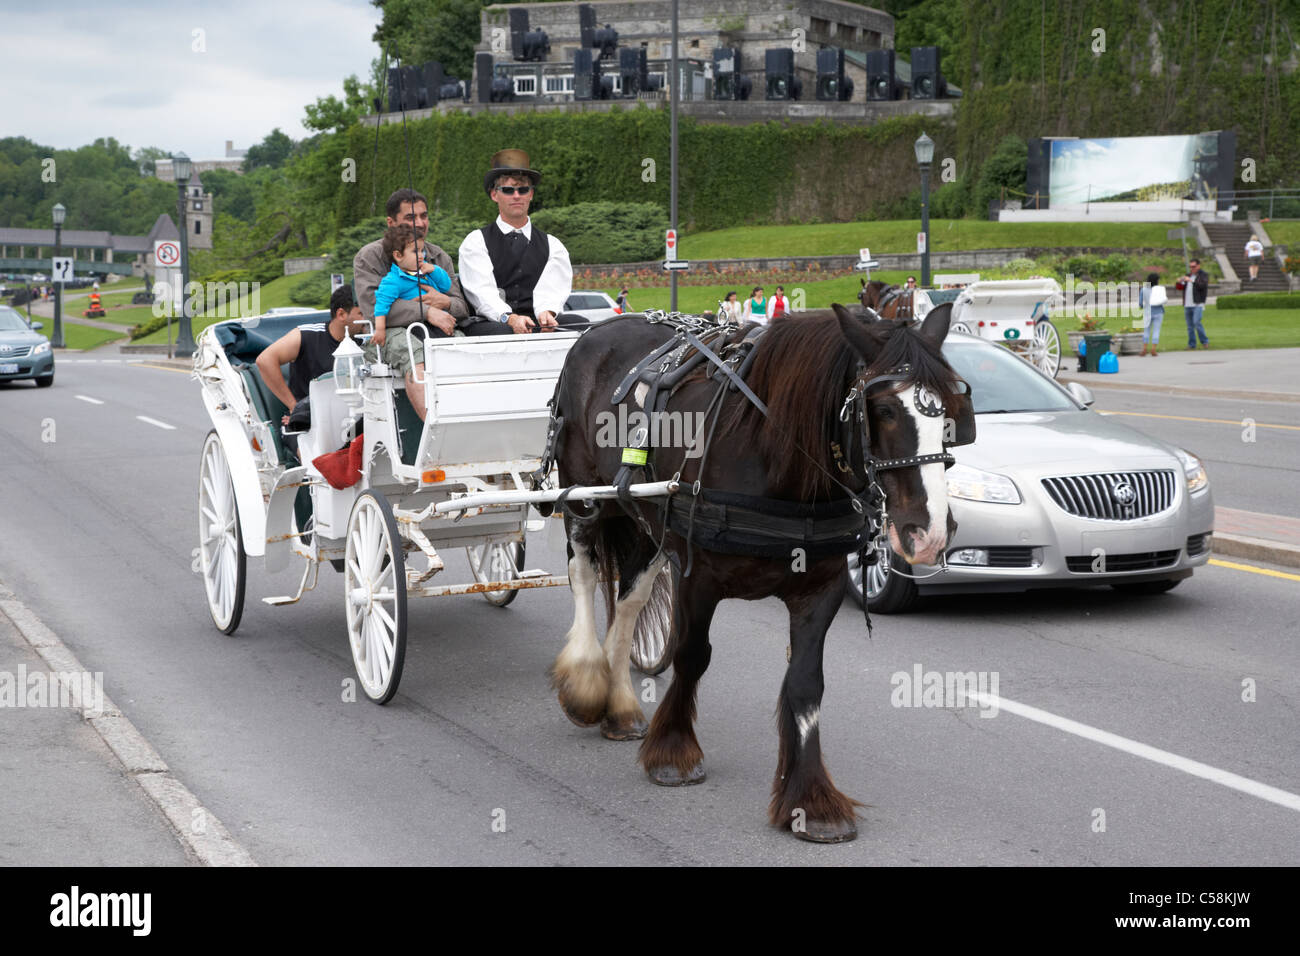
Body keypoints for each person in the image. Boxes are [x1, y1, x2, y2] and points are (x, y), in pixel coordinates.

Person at [354, 188, 510, 423]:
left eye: (423, 216)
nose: (419, 223)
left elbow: (461, 306)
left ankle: (480, 422)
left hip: (441, 330)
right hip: (390, 334)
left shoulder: (439, 257)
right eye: (410, 217)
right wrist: (427, 311)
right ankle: (437, 431)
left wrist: (444, 302)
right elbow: (373, 308)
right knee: (414, 354)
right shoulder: (370, 256)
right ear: (390, 222)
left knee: (469, 354)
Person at [458, 149, 582, 334]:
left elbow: (552, 290)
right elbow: (482, 293)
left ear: (531, 194)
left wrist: (546, 314)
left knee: (579, 324)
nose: (516, 195)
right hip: (494, 322)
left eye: (523, 190)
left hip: (538, 322)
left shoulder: (553, 245)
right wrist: (509, 318)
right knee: (503, 332)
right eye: (508, 190)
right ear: (494, 195)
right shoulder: (476, 242)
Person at [255, 284, 368, 431]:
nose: (367, 318)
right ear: (341, 314)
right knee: (309, 452)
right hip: (308, 424)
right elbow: (265, 360)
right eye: (361, 313)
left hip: (354, 419)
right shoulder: (307, 335)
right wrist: (295, 409)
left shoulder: (367, 341)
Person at [372, 224, 451, 348]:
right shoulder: (393, 280)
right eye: (415, 251)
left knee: (448, 339)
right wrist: (380, 329)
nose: (421, 255)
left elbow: (446, 286)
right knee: (428, 340)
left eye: (422, 250)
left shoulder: (426, 269)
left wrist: (434, 270)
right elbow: (382, 304)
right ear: (398, 255)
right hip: (414, 324)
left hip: (438, 320)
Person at [1175, 258, 1210, 350]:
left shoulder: (1203, 275)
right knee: (1190, 326)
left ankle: (1205, 341)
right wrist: (1179, 282)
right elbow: (1180, 288)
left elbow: (1202, 285)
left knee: (1196, 322)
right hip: (1187, 304)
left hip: (1198, 303)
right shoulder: (1188, 275)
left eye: (1193, 266)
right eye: (1190, 267)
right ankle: (1191, 344)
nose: (1192, 269)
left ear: (1198, 266)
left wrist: (1191, 281)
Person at [1139, 273, 1166, 357]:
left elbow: (1140, 303)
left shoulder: (1143, 289)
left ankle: (1144, 348)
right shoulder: (1159, 289)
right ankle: (1153, 349)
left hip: (1147, 312)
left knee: (1146, 330)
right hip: (1158, 312)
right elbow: (1163, 300)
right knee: (1156, 330)